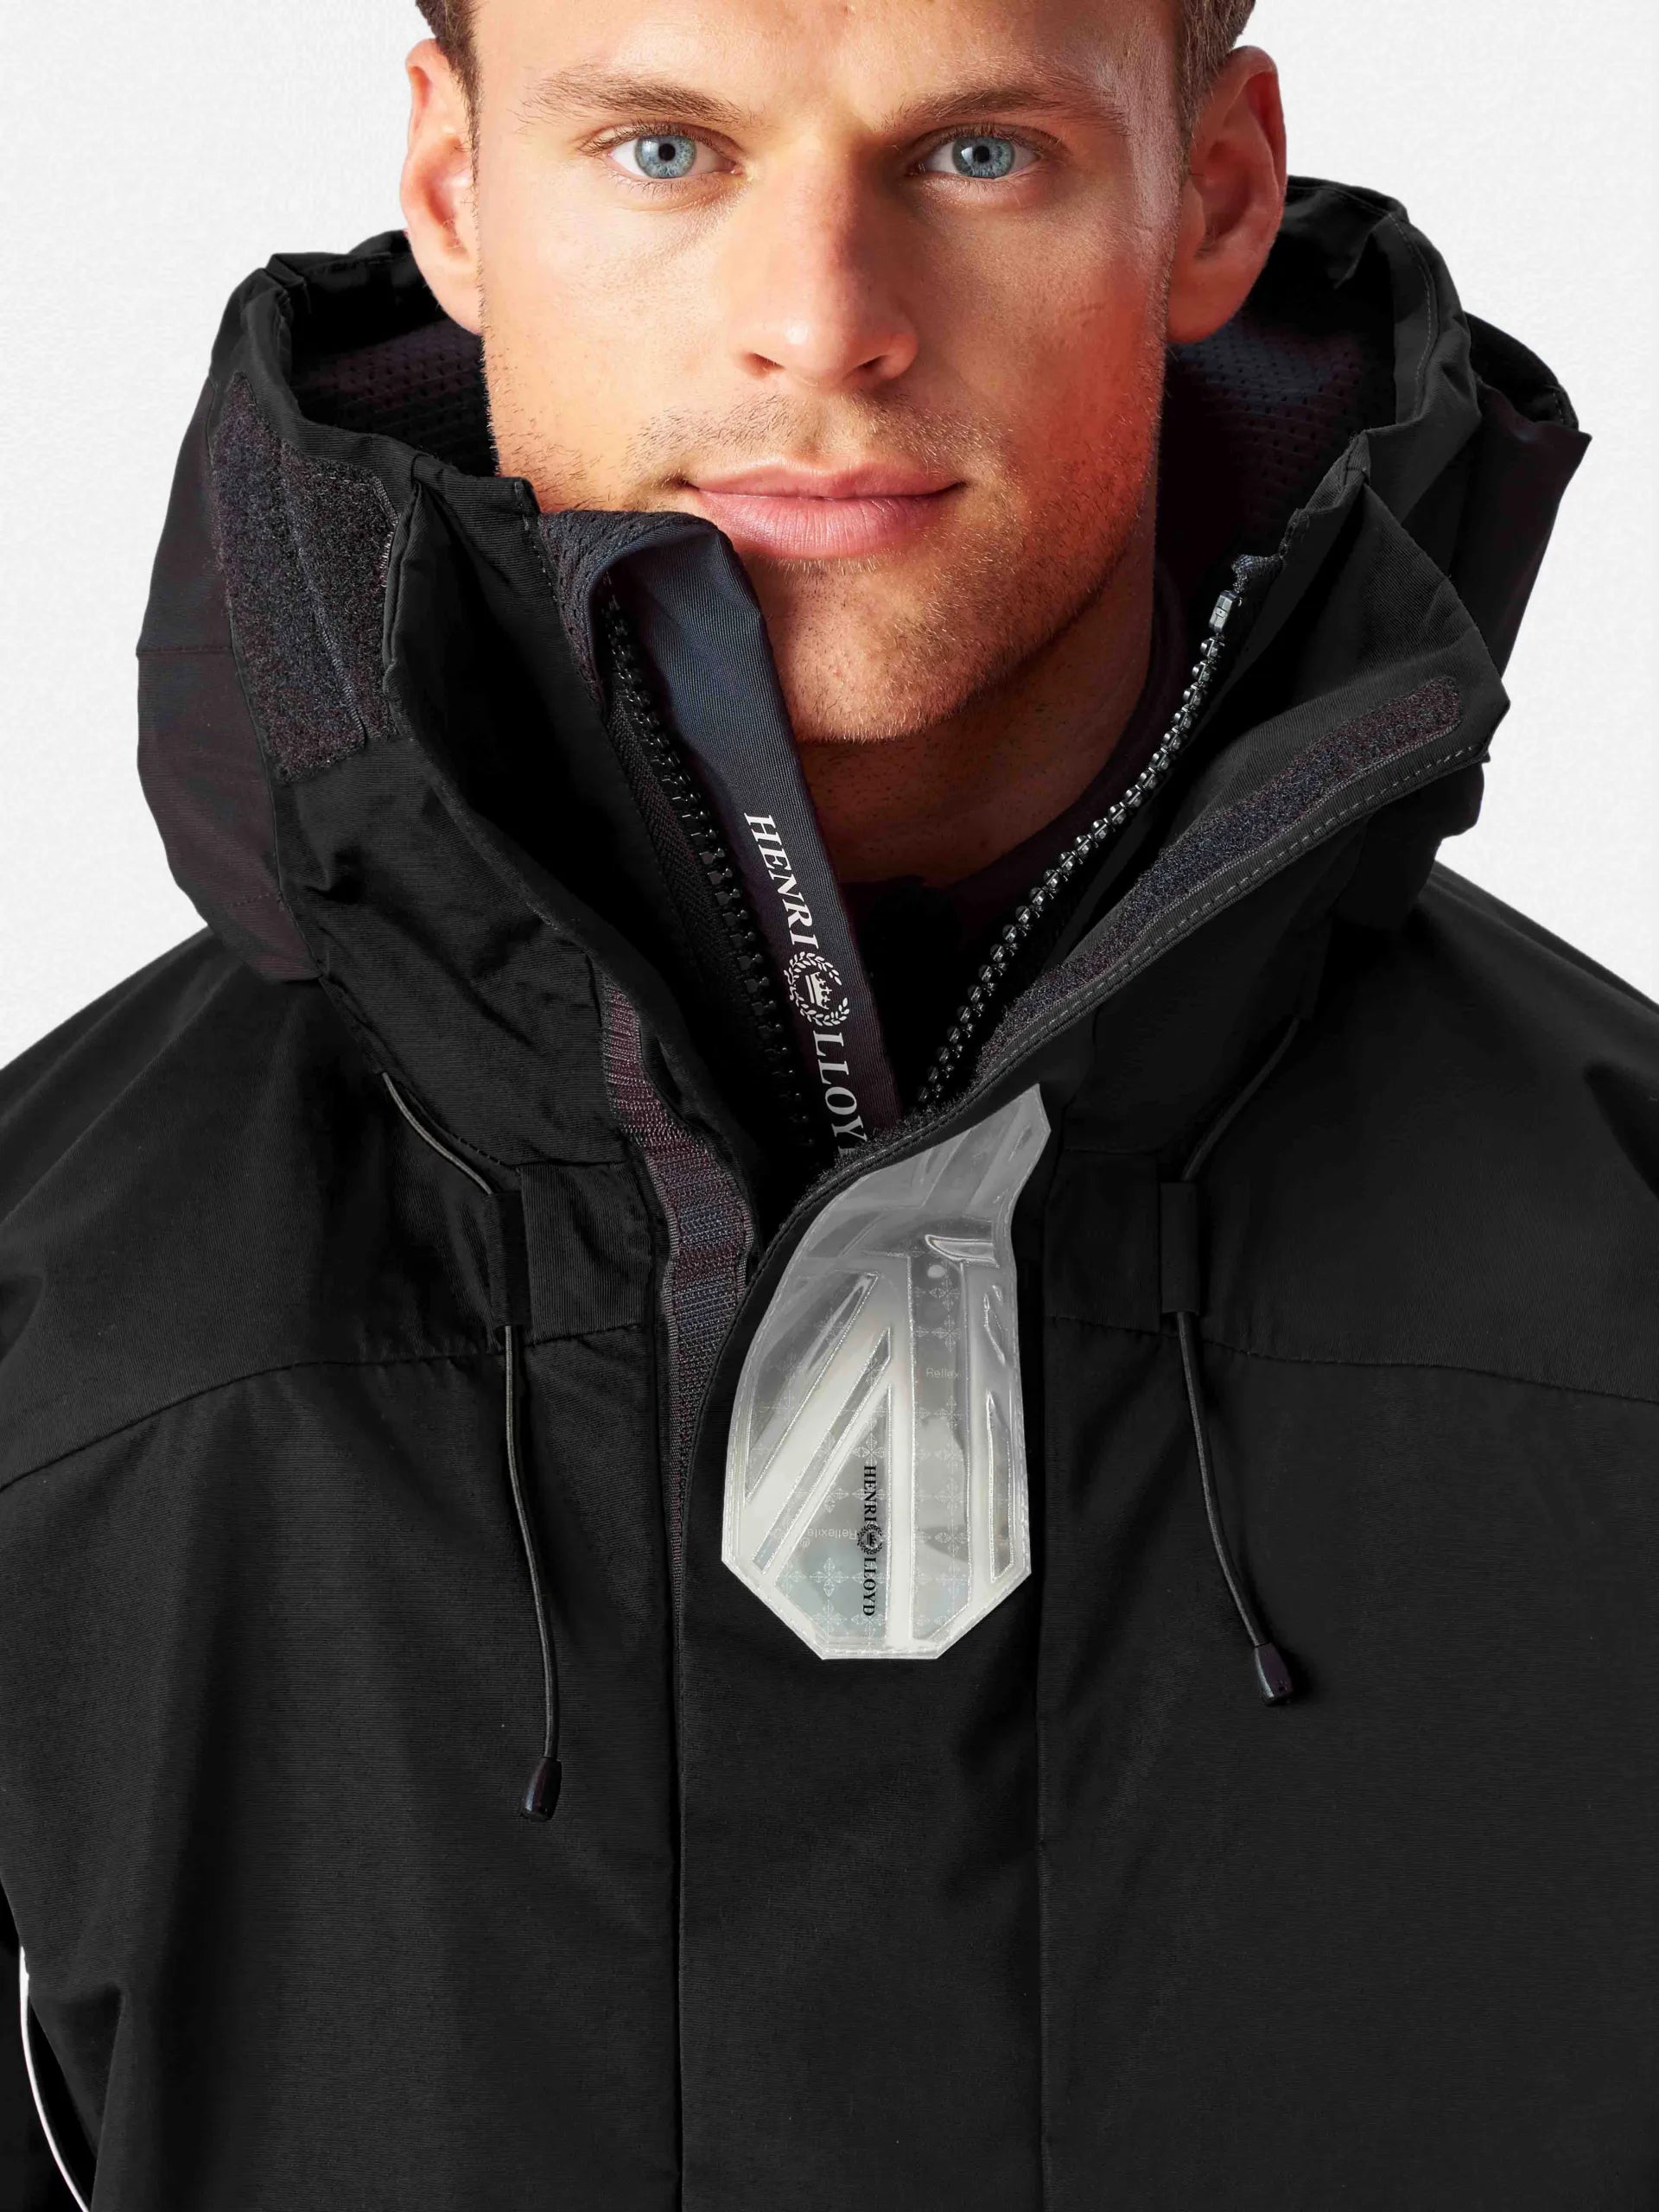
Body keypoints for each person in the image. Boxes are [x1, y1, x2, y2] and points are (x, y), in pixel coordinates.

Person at [3, 0, 1656, 2202]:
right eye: (666, 152)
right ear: (455, 188)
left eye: (976, 154)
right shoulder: (48, 1339)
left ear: (1217, 194)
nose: (824, 323)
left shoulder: (1627, 1306)